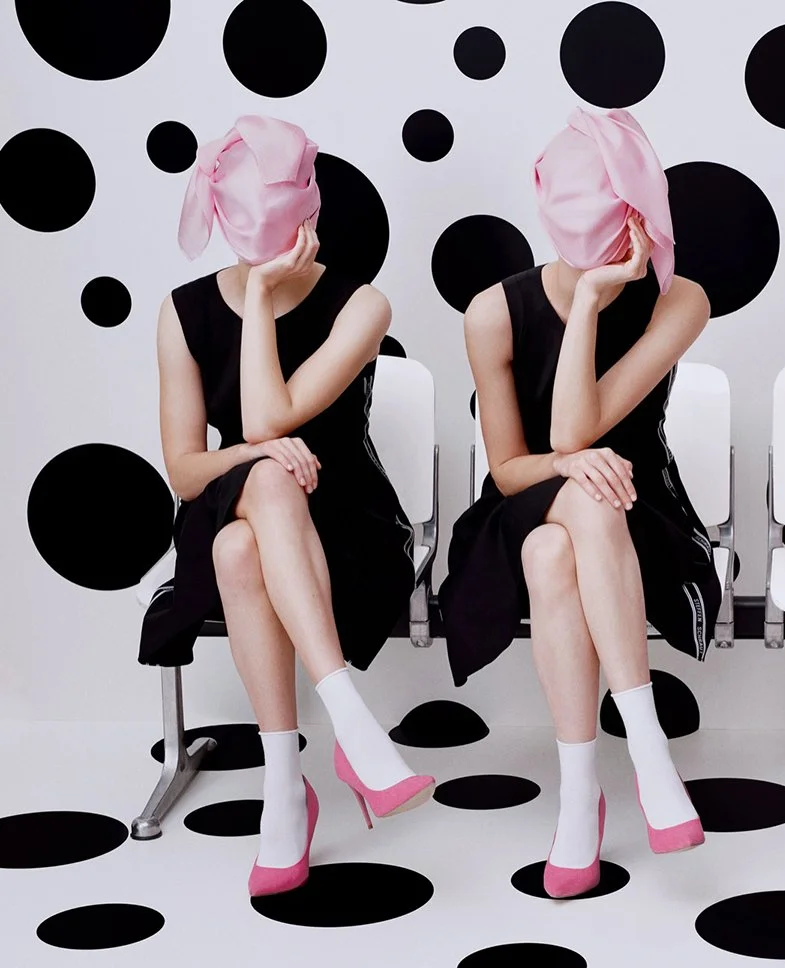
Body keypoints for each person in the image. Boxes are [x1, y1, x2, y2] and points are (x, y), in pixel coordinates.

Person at [141, 115, 434, 898]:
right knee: (251, 506)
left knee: (249, 534)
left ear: (311, 215)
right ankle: (346, 725)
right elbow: (186, 470)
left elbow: (275, 415)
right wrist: (250, 455)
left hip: (344, 526)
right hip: (229, 503)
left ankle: (287, 790)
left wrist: (266, 296)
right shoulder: (183, 311)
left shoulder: (362, 305)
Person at [439, 107, 720, 899]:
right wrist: (588, 304)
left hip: (642, 513)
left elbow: (582, 431)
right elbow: (514, 468)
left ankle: (579, 796)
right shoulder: (494, 312)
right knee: (569, 508)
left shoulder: (680, 301)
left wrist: (600, 300)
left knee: (567, 536)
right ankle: (647, 752)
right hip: (523, 502)